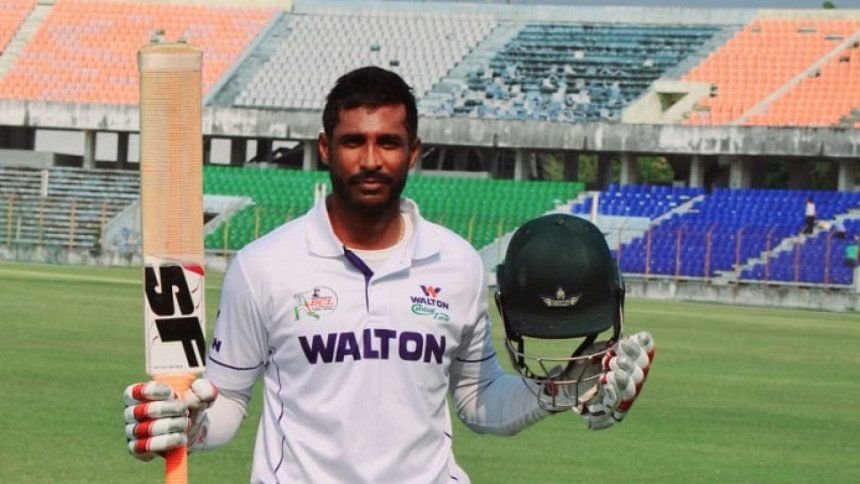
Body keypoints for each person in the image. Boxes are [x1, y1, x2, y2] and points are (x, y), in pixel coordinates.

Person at [122, 66, 654, 483]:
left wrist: (559, 390)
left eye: (389, 143)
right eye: (354, 141)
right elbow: (230, 400)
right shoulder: (264, 265)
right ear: (326, 148)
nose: (371, 160)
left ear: (413, 152)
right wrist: (187, 423)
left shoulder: (457, 263)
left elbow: (478, 399)